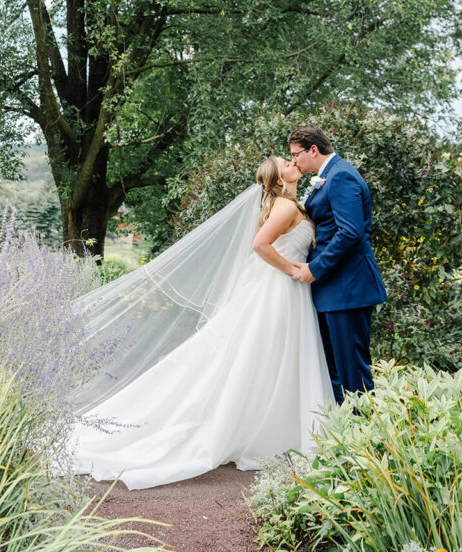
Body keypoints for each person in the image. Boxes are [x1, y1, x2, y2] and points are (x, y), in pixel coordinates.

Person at [65, 156, 334, 490]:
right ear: (279, 180)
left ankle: (264, 427)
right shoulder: (283, 205)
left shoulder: (293, 205)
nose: (293, 164)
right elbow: (260, 246)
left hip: (285, 293)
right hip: (278, 289)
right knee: (261, 357)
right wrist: (292, 269)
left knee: (269, 359)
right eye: (286, 164)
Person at [288, 125, 387, 405]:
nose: (294, 161)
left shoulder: (341, 175)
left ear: (314, 150)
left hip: (348, 289)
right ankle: (343, 435)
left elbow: (350, 233)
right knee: (333, 370)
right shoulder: (328, 175)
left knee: (352, 373)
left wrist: (314, 269)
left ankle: (364, 438)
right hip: (333, 290)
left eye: (296, 155)